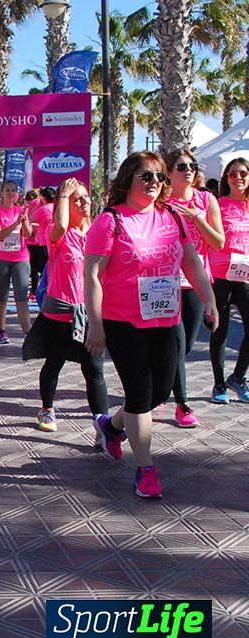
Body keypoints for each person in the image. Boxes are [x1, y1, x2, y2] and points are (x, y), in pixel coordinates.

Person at [85, 151, 218, 499]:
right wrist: (95, 324)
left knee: (159, 393)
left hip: (166, 318)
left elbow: (189, 259)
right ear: (128, 178)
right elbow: (93, 275)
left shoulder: (172, 215)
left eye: (160, 176)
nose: (155, 182)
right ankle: (146, 470)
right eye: (146, 176)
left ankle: (111, 428)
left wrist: (209, 299)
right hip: (123, 321)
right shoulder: (111, 220)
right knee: (141, 395)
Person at [21, 178, 108, 433]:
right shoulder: (58, 233)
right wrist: (62, 195)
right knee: (54, 362)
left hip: (90, 313)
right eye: (75, 198)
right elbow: (59, 223)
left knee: (94, 369)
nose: (83, 202)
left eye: (85, 197)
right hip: (60, 313)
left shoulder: (97, 233)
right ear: (64, 204)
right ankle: (47, 408)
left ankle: (102, 426)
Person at [163, 150, 224, 424]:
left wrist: (197, 218)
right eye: (181, 166)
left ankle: (162, 379)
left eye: (192, 165)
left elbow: (219, 242)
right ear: (169, 172)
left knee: (185, 345)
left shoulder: (206, 199)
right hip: (165, 282)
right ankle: (183, 404)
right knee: (176, 344)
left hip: (196, 281)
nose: (188, 169)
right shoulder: (163, 201)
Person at [208, 157, 249, 404]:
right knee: (219, 331)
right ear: (226, 178)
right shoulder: (218, 204)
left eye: (243, 173)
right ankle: (219, 384)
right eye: (233, 174)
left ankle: (238, 377)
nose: (238, 178)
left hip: (244, 275)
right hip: (220, 274)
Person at [0, 181, 32, 344]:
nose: (10, 193)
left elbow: (27, 234)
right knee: (2, 296)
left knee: (22, 296)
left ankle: (28, 332)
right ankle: (1, 331)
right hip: (1, 259)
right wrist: (15, 224)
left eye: (13, 190)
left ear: (17, 194)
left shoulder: (21, 211)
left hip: (20, 258)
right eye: (7, 190)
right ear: (2, 193)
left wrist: (25, 221)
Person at [27, 187, 55, 299]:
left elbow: (30, 219)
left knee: (42, 270)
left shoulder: (44, 209)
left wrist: (39, 206)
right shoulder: (59, 208)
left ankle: (42, 292)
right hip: (56, 242)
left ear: (43, 197)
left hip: (43, 243)